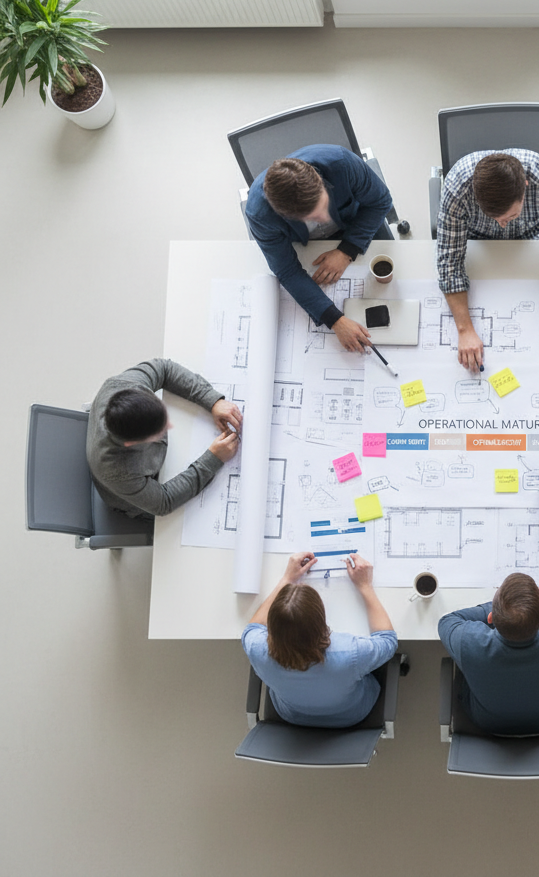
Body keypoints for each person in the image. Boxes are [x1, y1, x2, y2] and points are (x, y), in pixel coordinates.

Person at [437, 460, 539, 734]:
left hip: (485, 720)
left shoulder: (470, 642)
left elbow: (447, 620)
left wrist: (500, 606)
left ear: (491, 618)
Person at [435, 149, 539, 369]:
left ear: (525, 187)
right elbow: (449, 264)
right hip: (480, 242)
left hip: (534, 237)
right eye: (494, 218)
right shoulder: (458, 187)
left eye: (510, 216)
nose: (502, 224)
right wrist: (465, 330)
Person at [245, 144, 394, 353]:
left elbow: (381, 201)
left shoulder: (342, 163)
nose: (325, 218)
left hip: (355, 226)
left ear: (321, 182)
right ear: (286, 216)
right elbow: (286, 270)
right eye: (314, 217)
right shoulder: (259, 214)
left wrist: (347, 250)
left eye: (324, 206)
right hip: (307, 246)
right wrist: (335, 320)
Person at [242, 552, 398, 727]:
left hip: (293, 714)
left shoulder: (257, 649)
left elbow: (253, 628)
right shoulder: (350, 652)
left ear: (272, 624)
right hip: (350, 715)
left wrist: (286, 578)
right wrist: (365, 586)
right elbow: (388, 641)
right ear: (321, 621)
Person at [87, 358, 241, 517]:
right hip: (139, 500)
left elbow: (164, 369)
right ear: (132, 443)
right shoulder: (118, 472)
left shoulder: (125, 385)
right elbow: (164, 502)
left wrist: (212, 400)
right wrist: (213, 459)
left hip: (159, 462)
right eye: (159, 430)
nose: (170, 426)